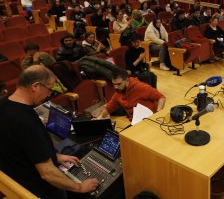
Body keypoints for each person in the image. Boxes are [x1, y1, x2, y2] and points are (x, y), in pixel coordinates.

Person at [0, 65, 99, 198]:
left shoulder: (4, 104)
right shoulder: (27, 122)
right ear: (35, 86)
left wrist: (54, 156)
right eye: (49, 90)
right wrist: (80, 187)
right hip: (37, 190)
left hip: (14, 181)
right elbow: (47, 173)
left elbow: (22, 146)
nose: (49, 96)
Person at [94, 68, 165, 120]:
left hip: (150, 119)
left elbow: (161, 97)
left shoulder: (139, 87)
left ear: (127, 80)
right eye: (114, 84)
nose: (116, 87)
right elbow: (108, 108)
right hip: (135, 122)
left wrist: (157, 114)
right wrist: (99, 118)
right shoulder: (118, 92)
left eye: (119, 84)